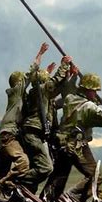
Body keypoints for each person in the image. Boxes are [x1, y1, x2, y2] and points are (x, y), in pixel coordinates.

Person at [41, 73, 102, 202]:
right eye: (94, 91)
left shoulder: (70, 99)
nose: (95, 93)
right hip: (77, 145)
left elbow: (83, 103)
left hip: (63, 144)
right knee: (95, 176)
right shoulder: (89, 108)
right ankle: (71, 198)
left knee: (59, 176)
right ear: (88, 90)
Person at [0, 43, 49, 201]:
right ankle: (1, 186)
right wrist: (40, 53)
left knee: (1, 169)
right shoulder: (16, 92)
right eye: (23, 81)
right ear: (19, 82)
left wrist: (46, 73)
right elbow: (30, 73)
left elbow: (35, 82)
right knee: (23, 162)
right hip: (9, 135)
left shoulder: (18, 97)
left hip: (8, 135)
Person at [20, 55, 73, 193]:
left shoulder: (39, 95)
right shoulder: (41, 91)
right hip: (33, 134)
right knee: (45, 168)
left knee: (37, 166)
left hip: (35, 134)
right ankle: (15, 181)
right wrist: (64, 65)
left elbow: (62, 98)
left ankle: (25, 193)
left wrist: (69, 77)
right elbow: (54, 82)